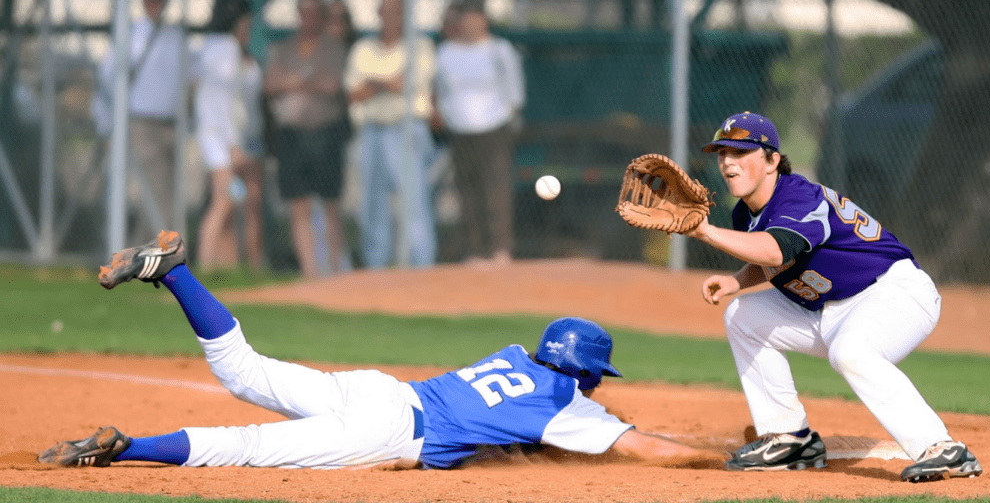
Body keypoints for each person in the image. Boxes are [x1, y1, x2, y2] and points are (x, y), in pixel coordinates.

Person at [38, 230, 723, 471]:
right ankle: (125, 449)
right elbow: (646, 450)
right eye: (595, 379)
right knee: (243, 445)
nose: (597, 390)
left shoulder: (516, 356)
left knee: (241, 370)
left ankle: (174, 271)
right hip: (388, 429)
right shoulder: (562, 404)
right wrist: (720, 458)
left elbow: (508, 427)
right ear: (582, 373)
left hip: (379, 390)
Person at [682, 111, 983, 482]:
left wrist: (704, 232)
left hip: (893, 293)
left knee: (851, 352)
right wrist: (737, 282)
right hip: (830, 309)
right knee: (742, 315)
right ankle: (790, 439)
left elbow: (778, 249)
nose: (728, 162)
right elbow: (778, 258)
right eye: (722, 153)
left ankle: (942, 448)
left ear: (773, 160)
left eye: (741, 152)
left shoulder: (798, 197)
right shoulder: (746, 213)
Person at [91, 0, 188, 244]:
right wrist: (107, 120)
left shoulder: (173, 36)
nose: (155, 4)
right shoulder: (132, 36)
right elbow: (107, 78)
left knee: (168, 192)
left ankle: (151, 252)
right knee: (155, 193)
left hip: (171, 122)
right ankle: (152, 251)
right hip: (141, 122)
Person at [345, 0, 438, 268]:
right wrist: (386, 83)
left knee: (413, 203)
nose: (389, 15)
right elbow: (354, 93)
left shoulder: (419, 46)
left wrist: (373, 84)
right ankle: (376, 269)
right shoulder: (363, 48)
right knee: (372, 205)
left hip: (407, 130)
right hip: (371, 130)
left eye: (395, 10)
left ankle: (421, 267)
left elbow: (405, 85)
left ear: (404, 14)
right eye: (384, 9)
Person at [434, 0, 525, 267]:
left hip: (494, 128)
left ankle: (500, 249)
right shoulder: (446, 52)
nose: (470, 24)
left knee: (495, 188)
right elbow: (441, 91)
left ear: (484, 20)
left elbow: (514, 92)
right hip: (459, 130)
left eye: (475, 18)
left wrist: (506, 117)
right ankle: (476, 251)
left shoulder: (500, 50)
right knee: (467, 190)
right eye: (465, 18)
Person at [263, 0, 349, 278]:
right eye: (304, 12)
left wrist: (293, 81)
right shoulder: (284, 47)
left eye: (314, 12)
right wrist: (307, 80)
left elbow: (331, 85)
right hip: (291, 135)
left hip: (325, 133)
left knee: (330, 203)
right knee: (297, 203)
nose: (308, 18)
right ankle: (311, 272)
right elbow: (271, 83)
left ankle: (335, 270)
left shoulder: (334, 48)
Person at [193, 0, 265, 272]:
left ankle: (232, 267)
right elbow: (222, 103)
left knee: (240, 203)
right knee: (223, 202)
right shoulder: (225, 49)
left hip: (236, 137)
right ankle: (206, 265)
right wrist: (233, 144)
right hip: (221, 139)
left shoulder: (218, 48)